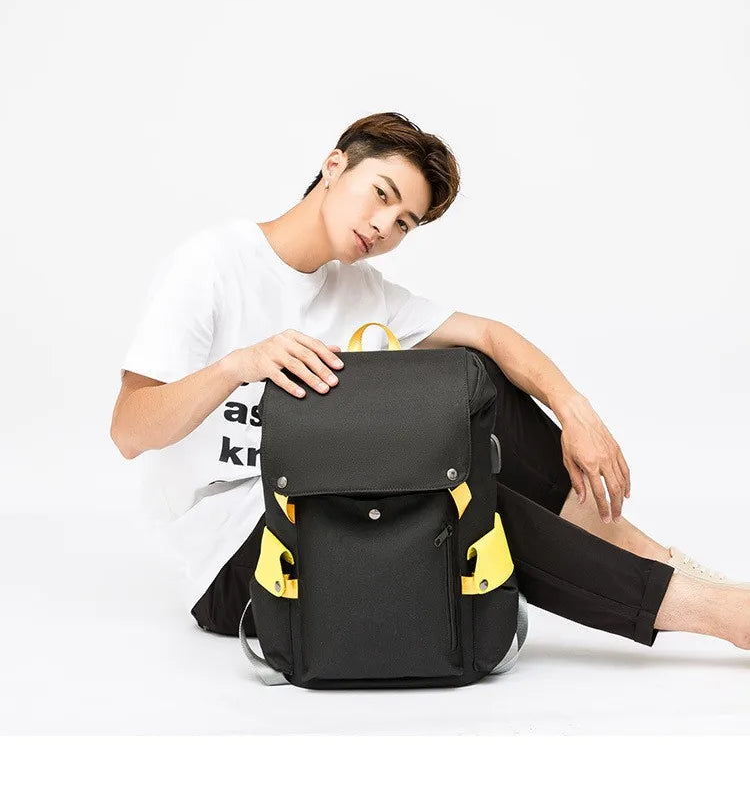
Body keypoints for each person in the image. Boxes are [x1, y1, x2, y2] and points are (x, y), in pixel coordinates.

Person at [111, 111, 750, 652]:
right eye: (381, 194)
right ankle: (719, 615)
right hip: (240, 564)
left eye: (405, 223)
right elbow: (129, 431)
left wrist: (575, 410)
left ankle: (664, 564)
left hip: (333, 507)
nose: (383, 226)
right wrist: (240, 365)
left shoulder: (362, 292)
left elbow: (491, 336)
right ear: (334, 166)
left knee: (476, 380)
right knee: (459, 505)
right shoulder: (214, 265)